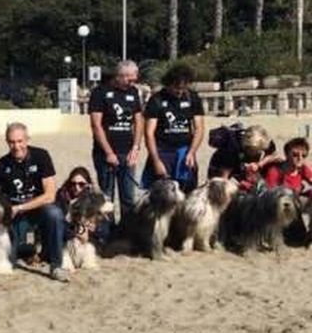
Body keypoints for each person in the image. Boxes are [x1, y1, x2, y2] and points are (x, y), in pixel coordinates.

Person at [0, 122, 68, 282]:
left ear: (27, 140)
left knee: (54, 213)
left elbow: (50, 195)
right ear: (7, 142)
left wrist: (20, 207)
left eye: (20, 141)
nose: (16, 146)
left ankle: (56, 266)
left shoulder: (41, 156)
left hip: (38, 209)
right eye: (12, 142)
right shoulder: (1, 165)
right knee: (9, 263)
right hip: (13, 214)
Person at [88, 60, 143, 218]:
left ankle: (127, 229)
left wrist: (136, 147)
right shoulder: (100, 92)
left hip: (127, 152)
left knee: (128, 197)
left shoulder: (133, 92)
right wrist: (108, 152)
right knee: (107, 197)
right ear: (119, 76)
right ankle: (108, 229)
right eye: (129, 80)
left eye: (134, 80)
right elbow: (96, 125)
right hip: (105, 154)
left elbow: (138, 121)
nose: (132, 83)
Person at [143, 63, 204, 193]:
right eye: (177, 87)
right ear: (169, 84)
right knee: (163, 193)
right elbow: (149, 133)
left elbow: (199, 128)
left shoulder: (192, 98)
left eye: (184, 88)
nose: (180, 91)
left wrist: (192, 152)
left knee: (188, 190)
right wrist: (156, 160)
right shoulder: (157, 99)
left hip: (184, 150)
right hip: (163, 150)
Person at [208, 124, 281, 192]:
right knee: (217, 188)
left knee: (253, 185)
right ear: (247, 147)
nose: (258, 153)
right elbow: (224, 178)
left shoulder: (264, 140)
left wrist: (259, 164)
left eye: (260, 150)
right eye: (255, 151)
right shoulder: (232, 147)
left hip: (243, 162)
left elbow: (275, 156)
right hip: (221, 163)